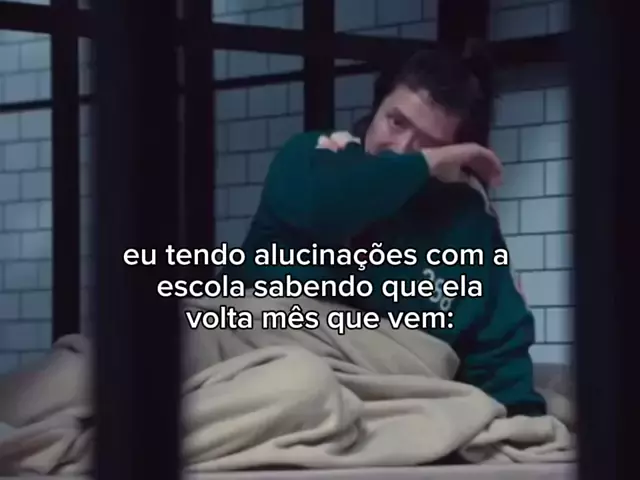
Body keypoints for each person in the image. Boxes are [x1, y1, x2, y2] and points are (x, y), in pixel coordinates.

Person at [223, 48, 546, 417]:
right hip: (262, 340)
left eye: (431, 143)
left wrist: (520, 419)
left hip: (385, 387)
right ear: (376, 108)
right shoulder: (316, 155)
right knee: (297, 380)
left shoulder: (467, 222)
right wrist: (427, 161)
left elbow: (497, 344)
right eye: (396, 122)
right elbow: (330, 205)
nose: (403, 148)